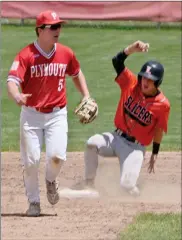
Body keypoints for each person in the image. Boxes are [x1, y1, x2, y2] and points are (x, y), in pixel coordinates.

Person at [7, 10, 94, 216]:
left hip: (57, 114)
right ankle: (34, 202)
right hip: (31, 115)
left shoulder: (65, 53)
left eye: (59, 26)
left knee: (57, 157)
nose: (57, 30)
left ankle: (50, 180)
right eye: (52, 27)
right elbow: (11, 81)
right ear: (39, 30)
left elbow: (76, 72)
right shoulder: (26, 55)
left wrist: (86, 96)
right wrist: (17, 96)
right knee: (31, 160)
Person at [59, 40, 170, 198]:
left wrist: (155, 153)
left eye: (150, 79)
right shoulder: (131, 84)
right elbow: (117, 61)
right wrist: (131, 49)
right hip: (116, 137)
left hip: (135, 148)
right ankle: (89, 185)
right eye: (144, 77)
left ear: (158, 82)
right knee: (92, 143)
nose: (145, 81)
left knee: (126, 187)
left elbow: (159, 128)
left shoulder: (163, 104)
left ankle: (140, 196)